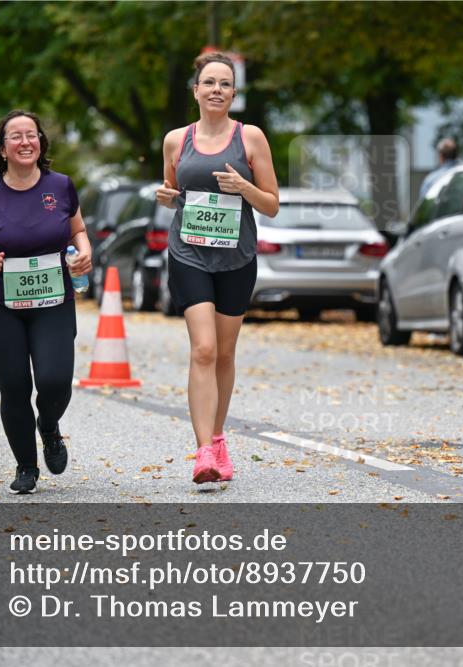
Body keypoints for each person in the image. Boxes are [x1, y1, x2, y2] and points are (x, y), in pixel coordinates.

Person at [156, 52, 279, 484]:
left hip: (236, 257)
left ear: (233, 93)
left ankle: (219, 436)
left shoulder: (251, 138)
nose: (216, 90)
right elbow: (173, 190)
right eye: (209, 83)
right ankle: (203, 451)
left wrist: (244, 186)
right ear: (196, 91)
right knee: (203, 349)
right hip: (188, 253)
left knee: (225, 353)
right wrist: (167, 197)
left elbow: (273, 205)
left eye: (225, 84)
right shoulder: (176, 140)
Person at [0, 110, 92, 494]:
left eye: (31, 135)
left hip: (52, 300)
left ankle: (48, 428)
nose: (25, 142)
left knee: (54, 381)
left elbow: (78, 229)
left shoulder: (61, 186)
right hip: (0, 304)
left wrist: (85, 252)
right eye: (15, 136)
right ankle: (26, 466)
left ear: (40, 142)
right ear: (2, 147)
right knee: (14, 385)